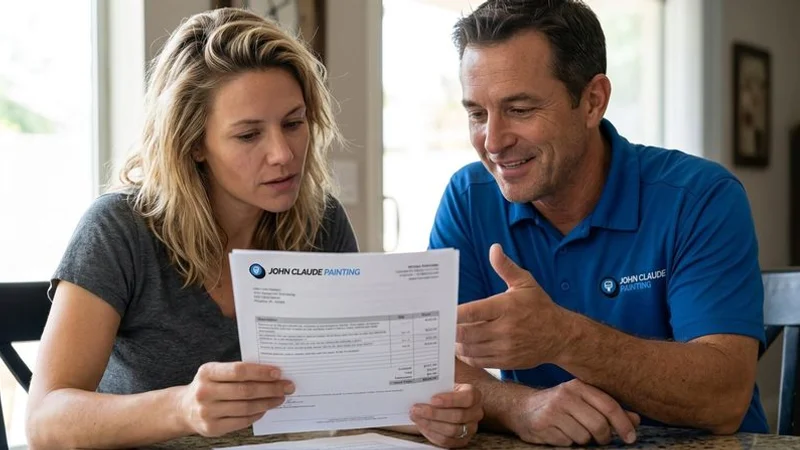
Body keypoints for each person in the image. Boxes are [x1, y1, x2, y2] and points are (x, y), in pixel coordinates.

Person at [26, 8, 482, 449]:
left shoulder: (322, 225)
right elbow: (44, 421)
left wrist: (433, 420)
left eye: (293, 123)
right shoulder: (119, 229)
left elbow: (351, 399)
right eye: (248, 135)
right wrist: (182, 407)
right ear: (194, 144)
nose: (283, 154)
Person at [429, 0, 768, 446]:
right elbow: (425, 361)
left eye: (521, 109)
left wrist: (563, 337)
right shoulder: (468, 198)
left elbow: (724, 397)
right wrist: (519, 407)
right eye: (477, 113)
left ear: (592, 101)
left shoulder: (701, 198)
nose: (493, 141)